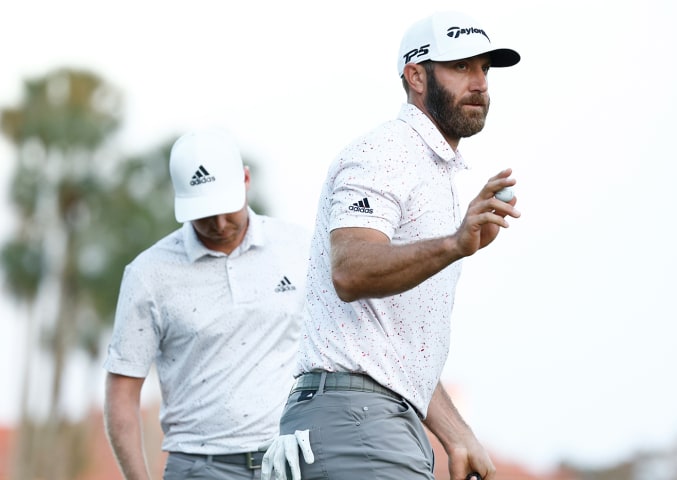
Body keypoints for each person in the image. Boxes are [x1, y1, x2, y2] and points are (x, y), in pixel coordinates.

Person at [266, 11, 521, 480]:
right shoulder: (385, 152)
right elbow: (350, 270)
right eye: (461, 67)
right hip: (356, 423)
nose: (480, 82)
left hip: (369, 421)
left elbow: (391, 350)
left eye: (485, 68)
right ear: (416, 76)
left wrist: (457, 433)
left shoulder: (433, 168)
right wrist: (453, 244)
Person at [103, 128, 313, 480]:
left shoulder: (298, 247)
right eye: (204, 213)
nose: (218, 224)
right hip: (199, 467)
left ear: (245, 179)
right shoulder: (148, 274)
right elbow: (122, 391)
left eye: (226, 209)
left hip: (291, 461)